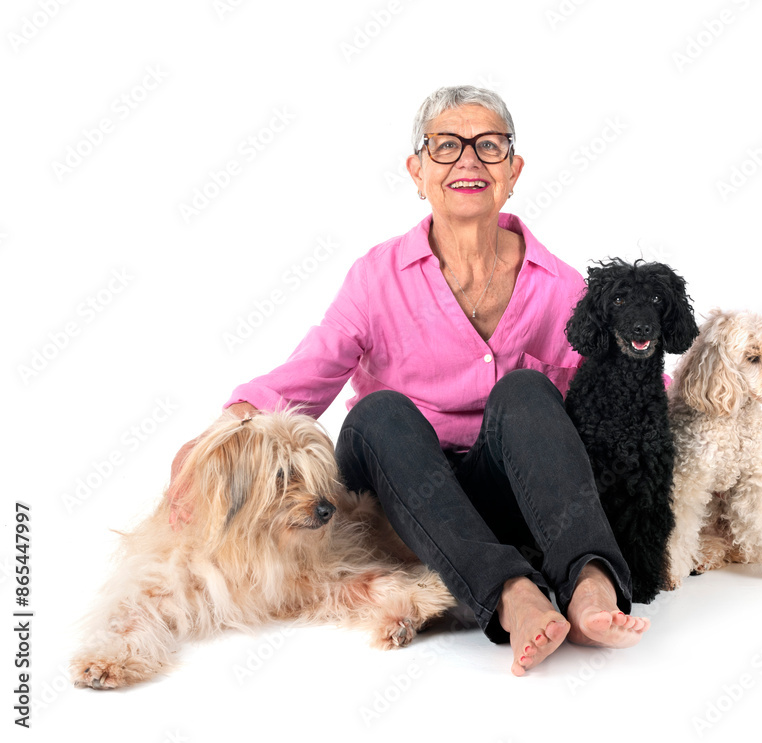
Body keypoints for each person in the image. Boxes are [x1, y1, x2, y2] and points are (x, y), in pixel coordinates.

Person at [167, 86, 649, 676]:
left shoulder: (561, 286)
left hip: (511, 493)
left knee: (527, 392)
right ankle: (512, 594)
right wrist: (213, 439)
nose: (468, 160)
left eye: (488, 146)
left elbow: (627, 392)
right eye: (446, 146)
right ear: (417, 171)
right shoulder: (377, 277)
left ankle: (589, 580)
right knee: (378, 414)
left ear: (513, 170)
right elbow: (309, 373)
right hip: (401, 492)